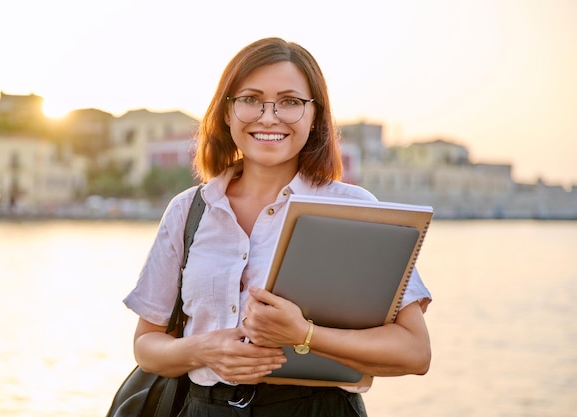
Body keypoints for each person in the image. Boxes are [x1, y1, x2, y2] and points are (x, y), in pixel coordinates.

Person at [123, 37, 432, 416]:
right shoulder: (188, 211)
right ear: (226, 112)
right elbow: (146, 346)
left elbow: (414, 352)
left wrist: (304, 336)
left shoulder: (353, 209)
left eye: (290, 102)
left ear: (315, 115)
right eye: (250, 99)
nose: (269, 117)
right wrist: (206, 349)